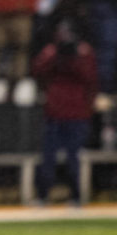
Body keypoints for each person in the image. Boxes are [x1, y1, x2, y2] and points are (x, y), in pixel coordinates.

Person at [31, 20, 99, 205]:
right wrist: (56, 56)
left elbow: (90, 78)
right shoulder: (51, 52)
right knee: (48, 159)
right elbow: (37, 70)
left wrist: (73, 58)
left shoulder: (84, 51)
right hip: (54, 113)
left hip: (77, 115)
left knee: (73, 159)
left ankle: (76, 196)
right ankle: (43, 196)